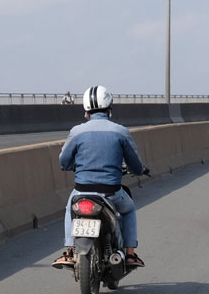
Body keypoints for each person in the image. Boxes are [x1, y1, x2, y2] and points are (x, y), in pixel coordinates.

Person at [54, 85, 148, 270]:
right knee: (128, 209)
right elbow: (135, 166)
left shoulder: (77, 132)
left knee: (69, 207)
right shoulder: (120, 131)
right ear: (109, 107)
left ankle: (70, 250)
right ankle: (129, 254)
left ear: (86, 110)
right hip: (111, 192)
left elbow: (64, 162)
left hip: (82, 191)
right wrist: (141, 170)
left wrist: (76, 166)